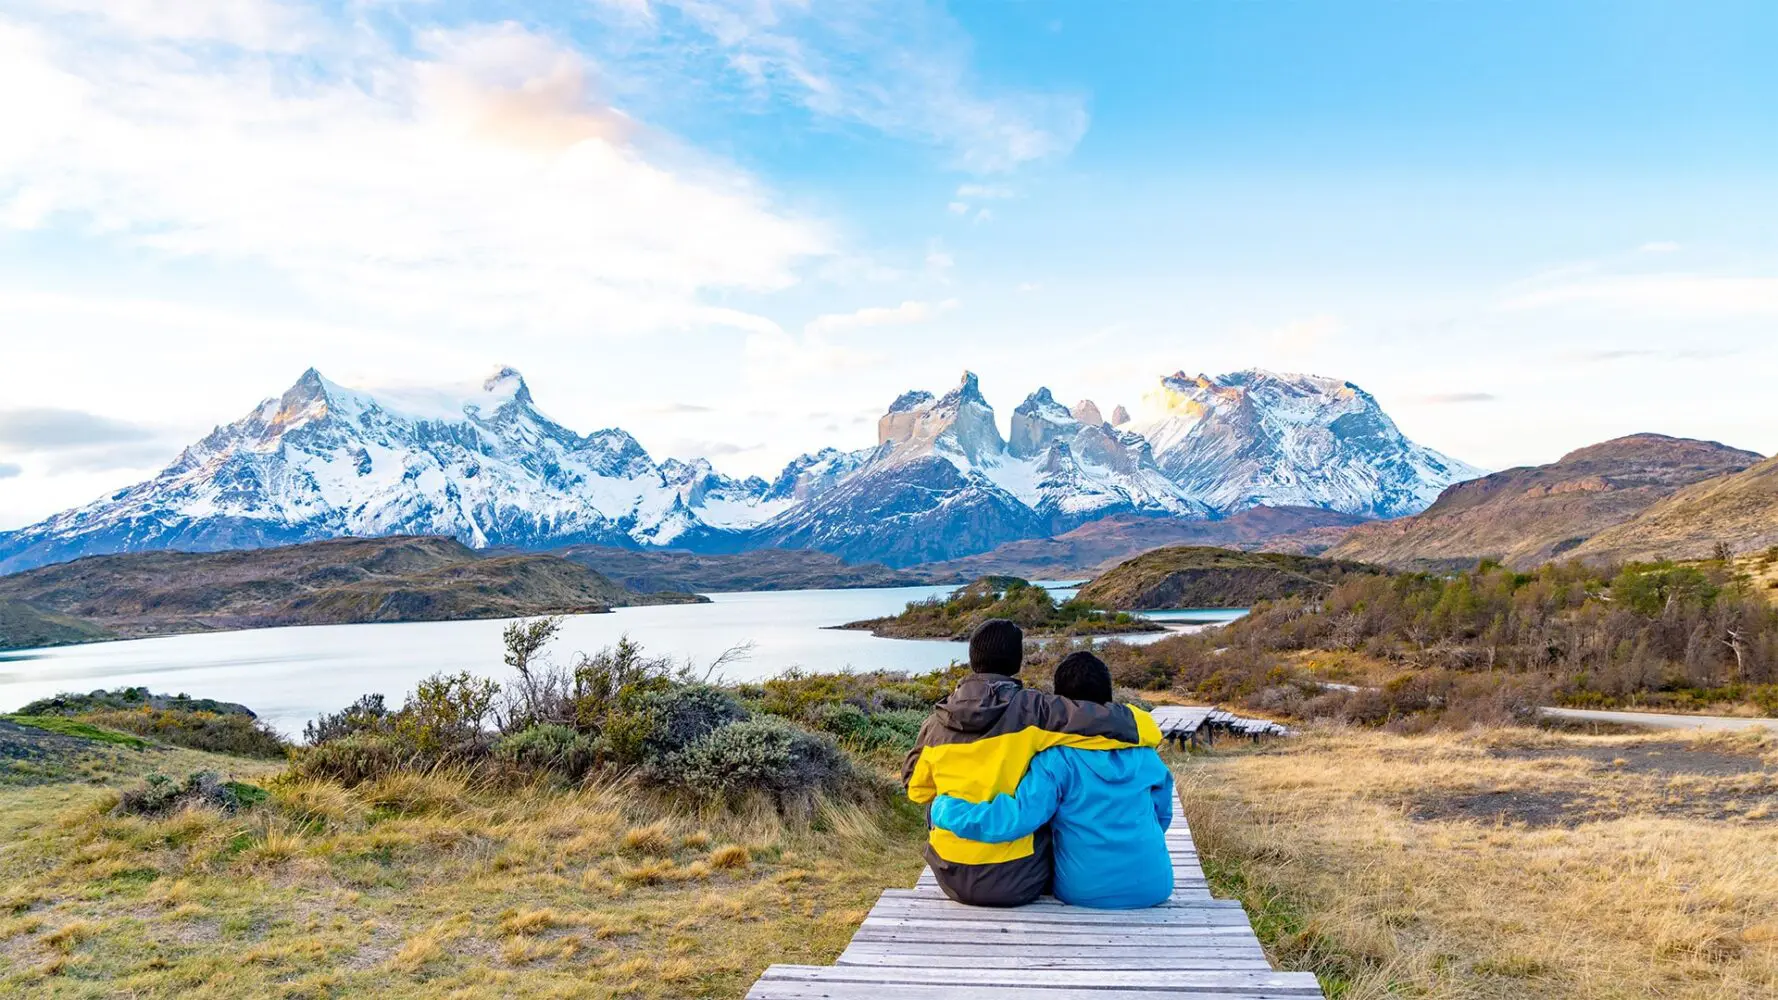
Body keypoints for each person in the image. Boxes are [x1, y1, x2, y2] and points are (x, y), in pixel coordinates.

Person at [903, 620, 1161, 907]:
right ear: (1018, 661)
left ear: (972, 659)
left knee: (935, 799)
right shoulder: (1034, 710)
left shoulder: (936, 723)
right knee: (1046, 792)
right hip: (1019, 878)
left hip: (949, 875)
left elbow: (915, 790)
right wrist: (1146, 727)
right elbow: (1096, 722)